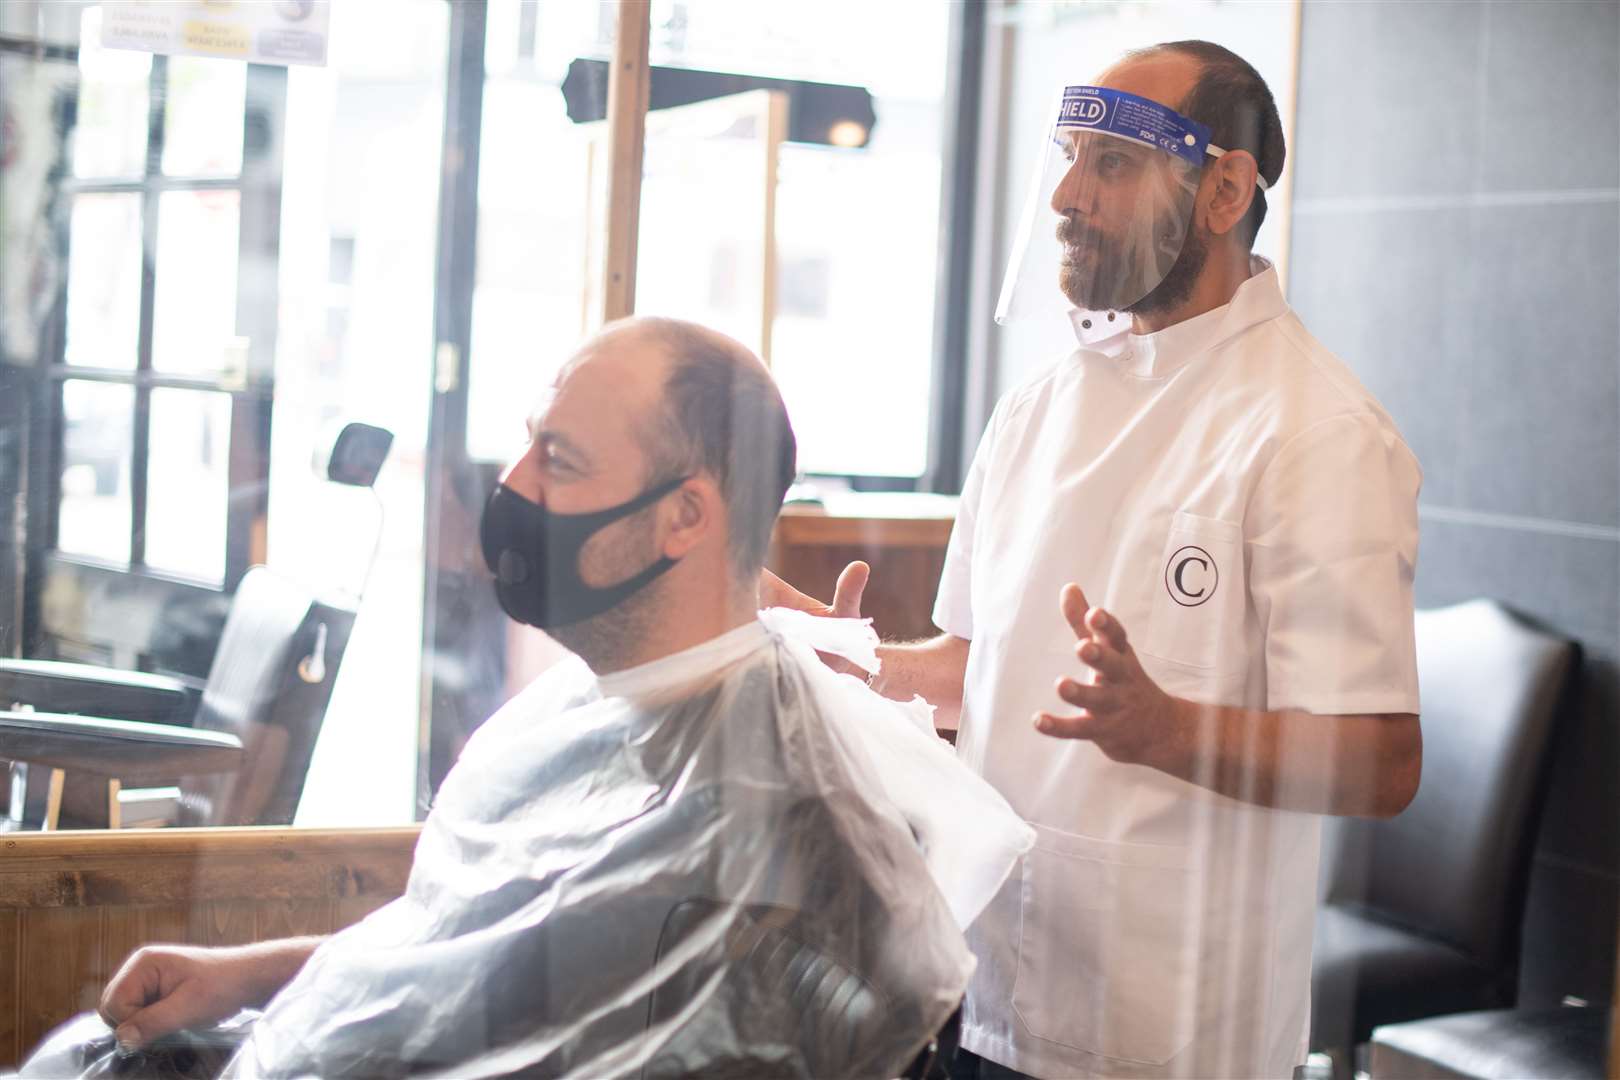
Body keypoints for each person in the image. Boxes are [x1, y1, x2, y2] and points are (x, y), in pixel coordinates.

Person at [49, 317, 1028, 1080]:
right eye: (528, 448)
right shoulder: (586, 712)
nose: (510, 488)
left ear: (686, 516)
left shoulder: (773, 824)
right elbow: (491, 964)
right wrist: (254, 973)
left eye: (558, 462)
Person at [767, 40, 1422, 1080]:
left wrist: (1167, 730)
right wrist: (854, 661)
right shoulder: (1039, 403)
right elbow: (982, 666)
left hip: (1173, 1036)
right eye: (1069, 155)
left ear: (1223, 189)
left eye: (1111, 162)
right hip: (983, 995)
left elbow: (1383, 761)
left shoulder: (1318, 433)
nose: (1069, 192)